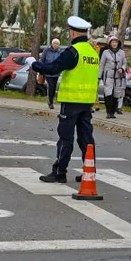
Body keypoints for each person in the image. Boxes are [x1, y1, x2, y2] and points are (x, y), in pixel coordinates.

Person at [31, 16, 99, 183]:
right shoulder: (92, 52)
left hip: (71, 102)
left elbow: (54, 67)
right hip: (87, 103)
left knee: (65, 138)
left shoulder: (73, 52)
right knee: (86, 138)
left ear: (73, 32)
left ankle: (59, 172)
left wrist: (34, 64)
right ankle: (89, 170)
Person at [98, 34, 127, 119]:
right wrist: (99, 76)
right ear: (110, 43)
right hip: (108, 77)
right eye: (113, 42)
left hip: (118, 77)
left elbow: (125, 63)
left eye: (116, 42)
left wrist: (122, 68)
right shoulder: (105, 52)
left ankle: (113, 112)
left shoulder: (121, 52)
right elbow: (102, 64)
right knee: (108, 94)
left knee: (116, 95)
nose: (114, 44)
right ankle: (108, 112)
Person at [40, 38, 64, 109]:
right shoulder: (47, 50)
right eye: (54, 43)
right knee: (51, 86)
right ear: (52, 44)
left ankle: (51, 100)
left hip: (56, 72)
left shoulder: (60, 51)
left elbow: (61, 61)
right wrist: (42, 70)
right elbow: (42, 60)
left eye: (57, 44)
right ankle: (50, 102)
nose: (56, 45)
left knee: (54, 87)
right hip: (48, 72)